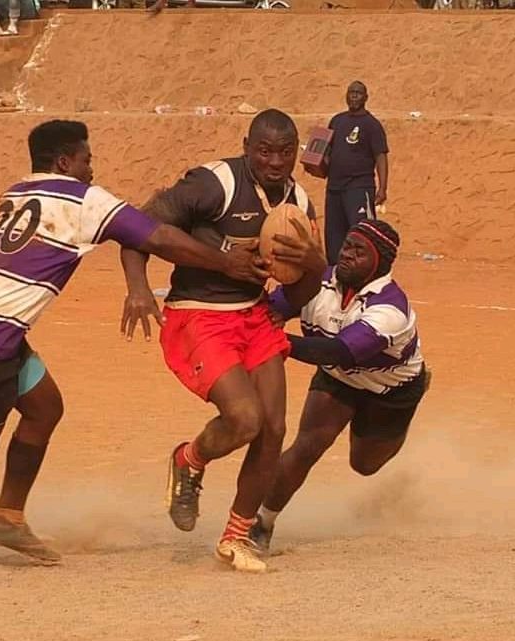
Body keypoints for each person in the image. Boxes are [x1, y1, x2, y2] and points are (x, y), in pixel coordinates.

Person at [0, 119, 268, 570]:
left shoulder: (18, 190)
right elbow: (159, 236)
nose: (91, 170)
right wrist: (226, 264)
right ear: (65, 162)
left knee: (44, 408)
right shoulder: (81, 198)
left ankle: (8, 516)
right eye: (86, 160)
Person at [120, 109, 326, 573]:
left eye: (286, 152)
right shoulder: (214, 184)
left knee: (274, 428)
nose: (275, 161)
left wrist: (314, 264)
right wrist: (137, 287)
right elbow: (136, 229)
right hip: (200, 314)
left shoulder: (297, 201)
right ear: (246, 145)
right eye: (264, 151)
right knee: (245, 418)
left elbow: (302, 289)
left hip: (255, 316)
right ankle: (189, 459)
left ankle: (236, 537)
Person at [249, 219, 428, 551]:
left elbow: (341, 351)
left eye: (360, 252)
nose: (347, 255)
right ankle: (261, 523)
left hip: (390, 390)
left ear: (381, 264)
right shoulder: (317, 282)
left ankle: (395, 429)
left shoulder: (390, 309)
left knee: (364, 465)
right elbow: (271, 310)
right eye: (347, 246)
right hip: (337, 377)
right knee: (307, 446)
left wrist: (277, 342)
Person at [324, 81, 389, 265]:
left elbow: (381, 156)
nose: (354, 96)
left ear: (366, 98)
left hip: (359, 188)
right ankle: (335, 276)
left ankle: (365, 274)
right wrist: (317, 164)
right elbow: (325, 150)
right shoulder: (336, 121)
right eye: (351, 92)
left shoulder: (372, 125)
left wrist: (383, 188)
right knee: (334, 235)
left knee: (362, 234)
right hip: (334, 187)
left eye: (358, 93)